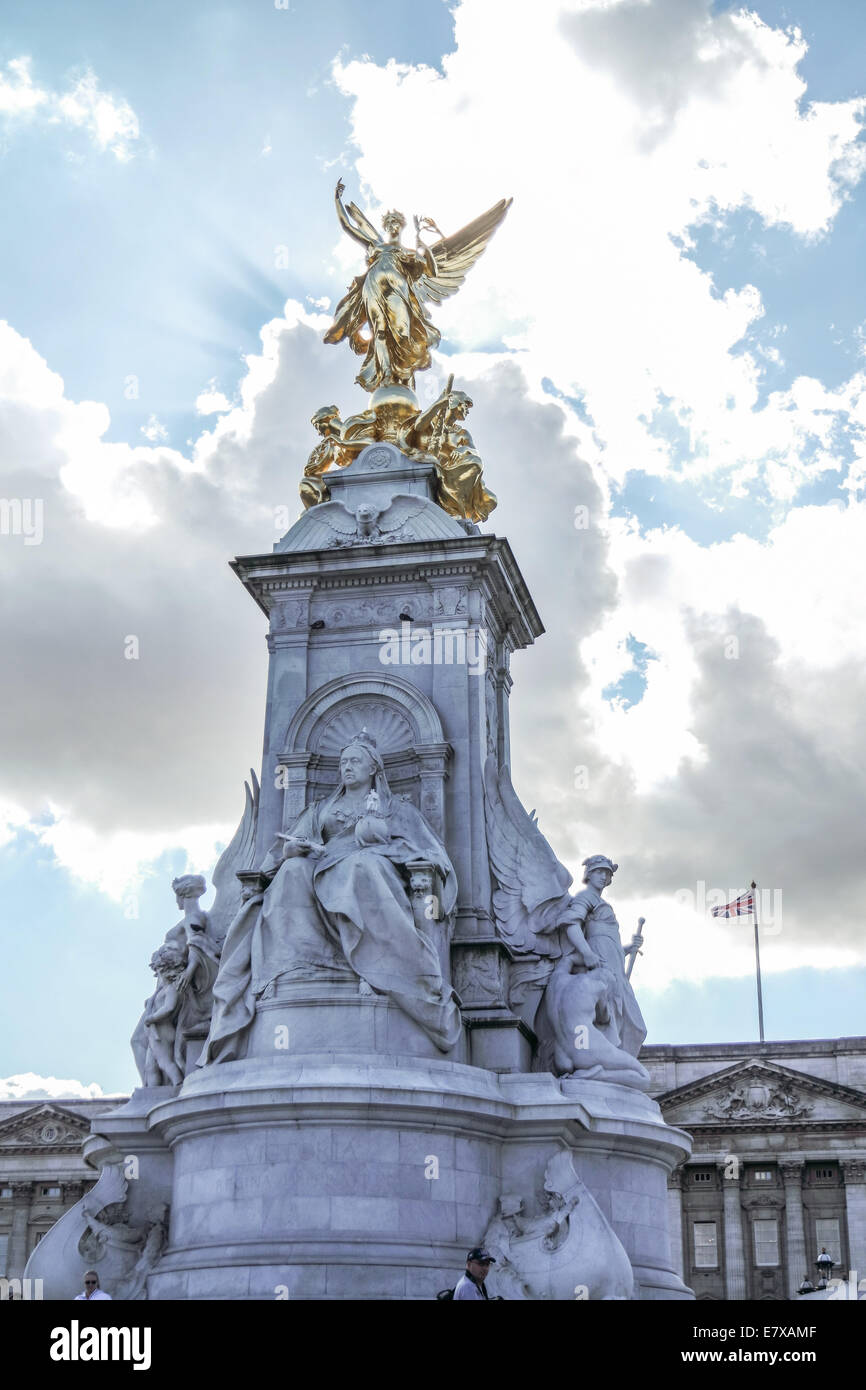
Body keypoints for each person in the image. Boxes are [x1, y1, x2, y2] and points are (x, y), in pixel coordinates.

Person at [202, 730, 461, 1062]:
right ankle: (300, 967)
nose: (347, 768)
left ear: (373, 769)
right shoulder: (321, 808)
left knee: (361, 868)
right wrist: (290, 850)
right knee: (292, 872)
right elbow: (283, 846)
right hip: (320, 868)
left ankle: (376, 969)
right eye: (343, 762)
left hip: (367, 868)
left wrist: (387, 847)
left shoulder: (394, 808)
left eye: (355, 761)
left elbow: (427, 849)